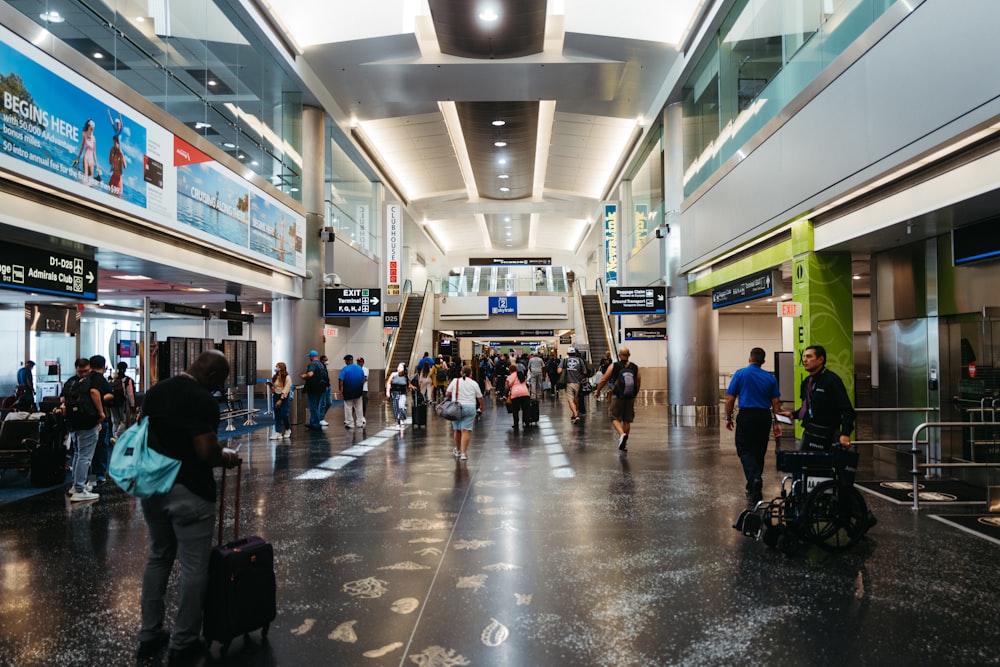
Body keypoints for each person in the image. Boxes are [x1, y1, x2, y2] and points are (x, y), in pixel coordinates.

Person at [135, 350, 240, 662]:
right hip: (189, 490)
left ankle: (149, 634)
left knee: (158, 557)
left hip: (153, 487)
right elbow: (206, 451)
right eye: (219, 382)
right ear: (210, 375)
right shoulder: (201, 400)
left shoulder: (155, 392)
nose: (217, 388)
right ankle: (184, 641)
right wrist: (228, 458)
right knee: (195, 566)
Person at [725, 347, 783, 507]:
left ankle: (755, 478)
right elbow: (776, 403)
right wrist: (777, 423)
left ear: (750, 359)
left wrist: (728, 418)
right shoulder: (770, 378)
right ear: (763, 361)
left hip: (746, 416)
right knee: (759, 451)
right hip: (764, 417)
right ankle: (753, 485)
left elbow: (730, 400)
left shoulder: (740, 374)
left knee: (744, 449)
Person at [781, 344, 855, 452]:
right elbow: (808, 407)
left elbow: (847, 410)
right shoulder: (807, 382)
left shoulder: (832, 380)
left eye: (809, 357)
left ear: (820, 359)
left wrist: (845, 433)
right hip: (809, 432)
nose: (805, 360)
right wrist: (793, 414)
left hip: (828, 434)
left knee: (824, 467)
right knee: (802, 466)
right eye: (804, 357)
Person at [61, 358, 103, 502]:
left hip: (73, 423)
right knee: (84, 457)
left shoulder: (70, 382)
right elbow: (94, 394)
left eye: (85, 370)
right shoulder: (90, 381)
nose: (84, 373)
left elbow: (62, 400)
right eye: (81, 371)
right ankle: (79, 488)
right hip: (87, 422)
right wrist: (101, 413)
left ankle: (75, 486)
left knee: (78, 454)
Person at [595, 347, 642, 452]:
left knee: (613, 416)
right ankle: (624, 444)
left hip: (618, 395)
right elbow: (638, 382)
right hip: (630, 396)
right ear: (629, 355)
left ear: (620, 355)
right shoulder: (635, 367)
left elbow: (604, 379)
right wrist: (634, 394)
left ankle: (622, 435)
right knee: (627, 420)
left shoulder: (614, 366)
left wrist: (597, 390)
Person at [445, 365, 484, 461]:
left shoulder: (455, 381)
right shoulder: (474, 383)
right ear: (471, 374)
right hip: (470, 407)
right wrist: (481, 406)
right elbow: (480, 397)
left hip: (456, 407)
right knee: (465, 430)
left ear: (461, 373)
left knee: (457, 430)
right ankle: (463, 453)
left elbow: (447, 393)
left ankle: (457, 450)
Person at [87, 355, 115, 487]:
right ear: (104, 366)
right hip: (98, 418)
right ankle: (99, 474)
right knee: (101, 446)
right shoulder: (101, 380)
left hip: (83, 418)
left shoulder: (84, 379)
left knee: (82, 450)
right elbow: (109, 394)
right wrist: (99, 405)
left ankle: (82, 476)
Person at [557, 347, 589, 424]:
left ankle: (576, 414)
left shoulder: (565, 360)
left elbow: (559, 371)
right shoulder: (580, 360)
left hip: (569, 383)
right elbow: (585, 372)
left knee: (570, 400)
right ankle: (574, 414)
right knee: (576, 400)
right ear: (575, 353)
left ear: (568, 353)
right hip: (578, 383)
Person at [299, 350, 329, 430]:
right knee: (316, 405)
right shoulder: (321, 364)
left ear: (312, 356)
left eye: (310, 356)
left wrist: (304, 376)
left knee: (313, 406)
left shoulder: (313, 364)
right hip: (321, 388)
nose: (309, 358)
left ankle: (315, 424)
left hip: (313, 388)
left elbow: (310, 374)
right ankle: (313, 422)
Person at [110, 361, 137, 438]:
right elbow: (130, 394)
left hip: (113, 403)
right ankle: (117, 436)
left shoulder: (113, 379)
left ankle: (114, 435)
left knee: (115, 421)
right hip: (124, 403)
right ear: (125, 369)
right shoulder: (127, 380)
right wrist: (133, 405)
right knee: (124, 420)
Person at [339, 354, 366, 429]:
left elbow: (341, 380)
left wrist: (340, 390)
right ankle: (360, 423)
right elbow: (363, 379)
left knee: (348, 407)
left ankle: (350, 423)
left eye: (345, 361)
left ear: (347, 361)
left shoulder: (345, 369)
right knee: (359, 407)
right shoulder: (359, 368)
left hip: (348, 391)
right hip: (358, 391)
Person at [386, 363, 413, 431]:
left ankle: (402, 421)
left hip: (402, 393)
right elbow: (389, 383)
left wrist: (412, 387)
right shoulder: (393, 374)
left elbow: (409, 384)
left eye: (401, 367)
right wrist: (387, 392)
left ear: (404, 369)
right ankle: (397, 422)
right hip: (394, 393)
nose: (399, 368)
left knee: (402, 406)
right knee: (396, 408)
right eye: (398, 367)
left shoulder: (405, 376)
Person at [269, 362, 292, 439]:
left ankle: (287, 429)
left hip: (284, 396)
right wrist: (271, 386)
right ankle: (278, 432)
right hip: (276, 395)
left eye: (277, 367)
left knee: (284, 414)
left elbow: (286, 389)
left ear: (281, 368)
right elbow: (274, 386)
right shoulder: (275, 376)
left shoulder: (287, 377)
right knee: (277, 414)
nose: (276, 368)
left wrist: (281, 399)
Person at [505, 362, 531, 430]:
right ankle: (527, 423)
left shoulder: (509, 377)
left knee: (515, 410)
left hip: (515, 394)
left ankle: (516, 424)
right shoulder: (520, 374)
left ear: (510, 370)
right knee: (526, 409)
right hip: (525, 393)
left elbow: (507, 387)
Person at [318, 355, 333, 426]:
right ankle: (320, 418)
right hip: (323, 387)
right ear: (322, 360)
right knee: (322, 403)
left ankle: (321, 417)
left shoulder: (324, 367)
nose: (327, 361)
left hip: (327, 386)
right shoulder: (320, 367)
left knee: (329, 402)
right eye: (326, 360)